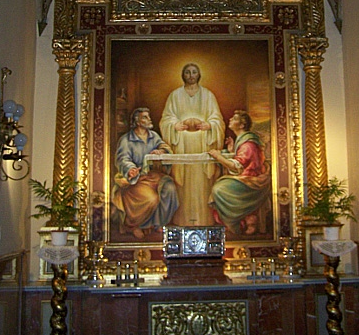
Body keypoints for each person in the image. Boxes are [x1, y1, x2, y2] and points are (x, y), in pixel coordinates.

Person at [160, 63, 225, 225]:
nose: (191, 75)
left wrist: (210, 125)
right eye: (187, 72)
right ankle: (182, 220)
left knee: (202, 184)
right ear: (183, 75)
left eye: (194, 72)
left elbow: (218, 119)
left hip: (203, 143)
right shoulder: (175, 95)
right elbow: (166, 119)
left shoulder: (208, 95)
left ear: (198, 74)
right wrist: (174, 126)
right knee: (183, 184)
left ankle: (204, 219)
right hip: (182, 144)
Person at [111, 107, 179, 239]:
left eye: (148, 117)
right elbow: (122, 159)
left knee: (170, 188)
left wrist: (161, 151)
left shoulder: (153, 136)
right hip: (137, 179)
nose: (149, 120)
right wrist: (130, 169)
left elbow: (164, 147)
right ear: (137, 122)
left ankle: (159, 223)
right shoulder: (127, 140)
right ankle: (133, 225)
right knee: (151, 198)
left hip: (153, 176)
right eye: (145, 117)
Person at [208, 110, 270, 235]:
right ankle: (244, 219)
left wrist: (218, 156)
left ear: (242, 125)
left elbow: (237, 166)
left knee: (218, 189)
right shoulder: (243, 140)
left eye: (234, 118)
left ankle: (235, 221)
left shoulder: (248, 144)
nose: (230, 119)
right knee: (220, 184)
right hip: (247, 178)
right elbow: (241, 160)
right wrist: (232, 150)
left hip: (252, 182)